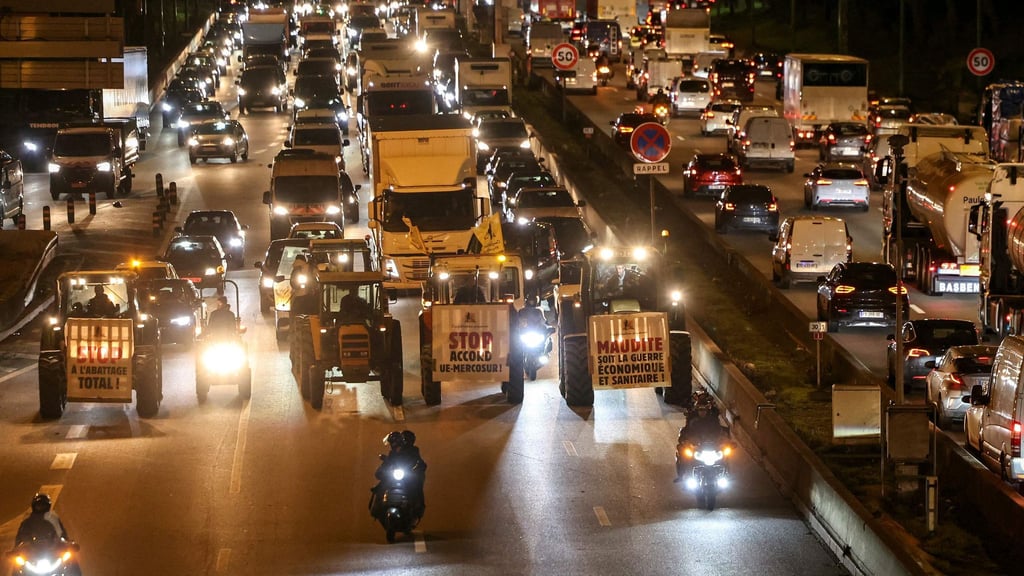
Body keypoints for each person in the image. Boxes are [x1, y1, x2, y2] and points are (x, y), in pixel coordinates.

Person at [674, 397, 731, 483]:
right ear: (697, 410)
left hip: (712, 446)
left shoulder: (713, 420)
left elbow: (719, 432)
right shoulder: (692, 420)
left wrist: (725, 442)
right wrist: (684, 441)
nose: (702, 412)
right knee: (682, 453)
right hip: (697, 447)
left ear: (707, 410)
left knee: (725, 455)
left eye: (704, 410)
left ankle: (726, 473)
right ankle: (681, 475)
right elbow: (686, 432)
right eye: (700, 410)